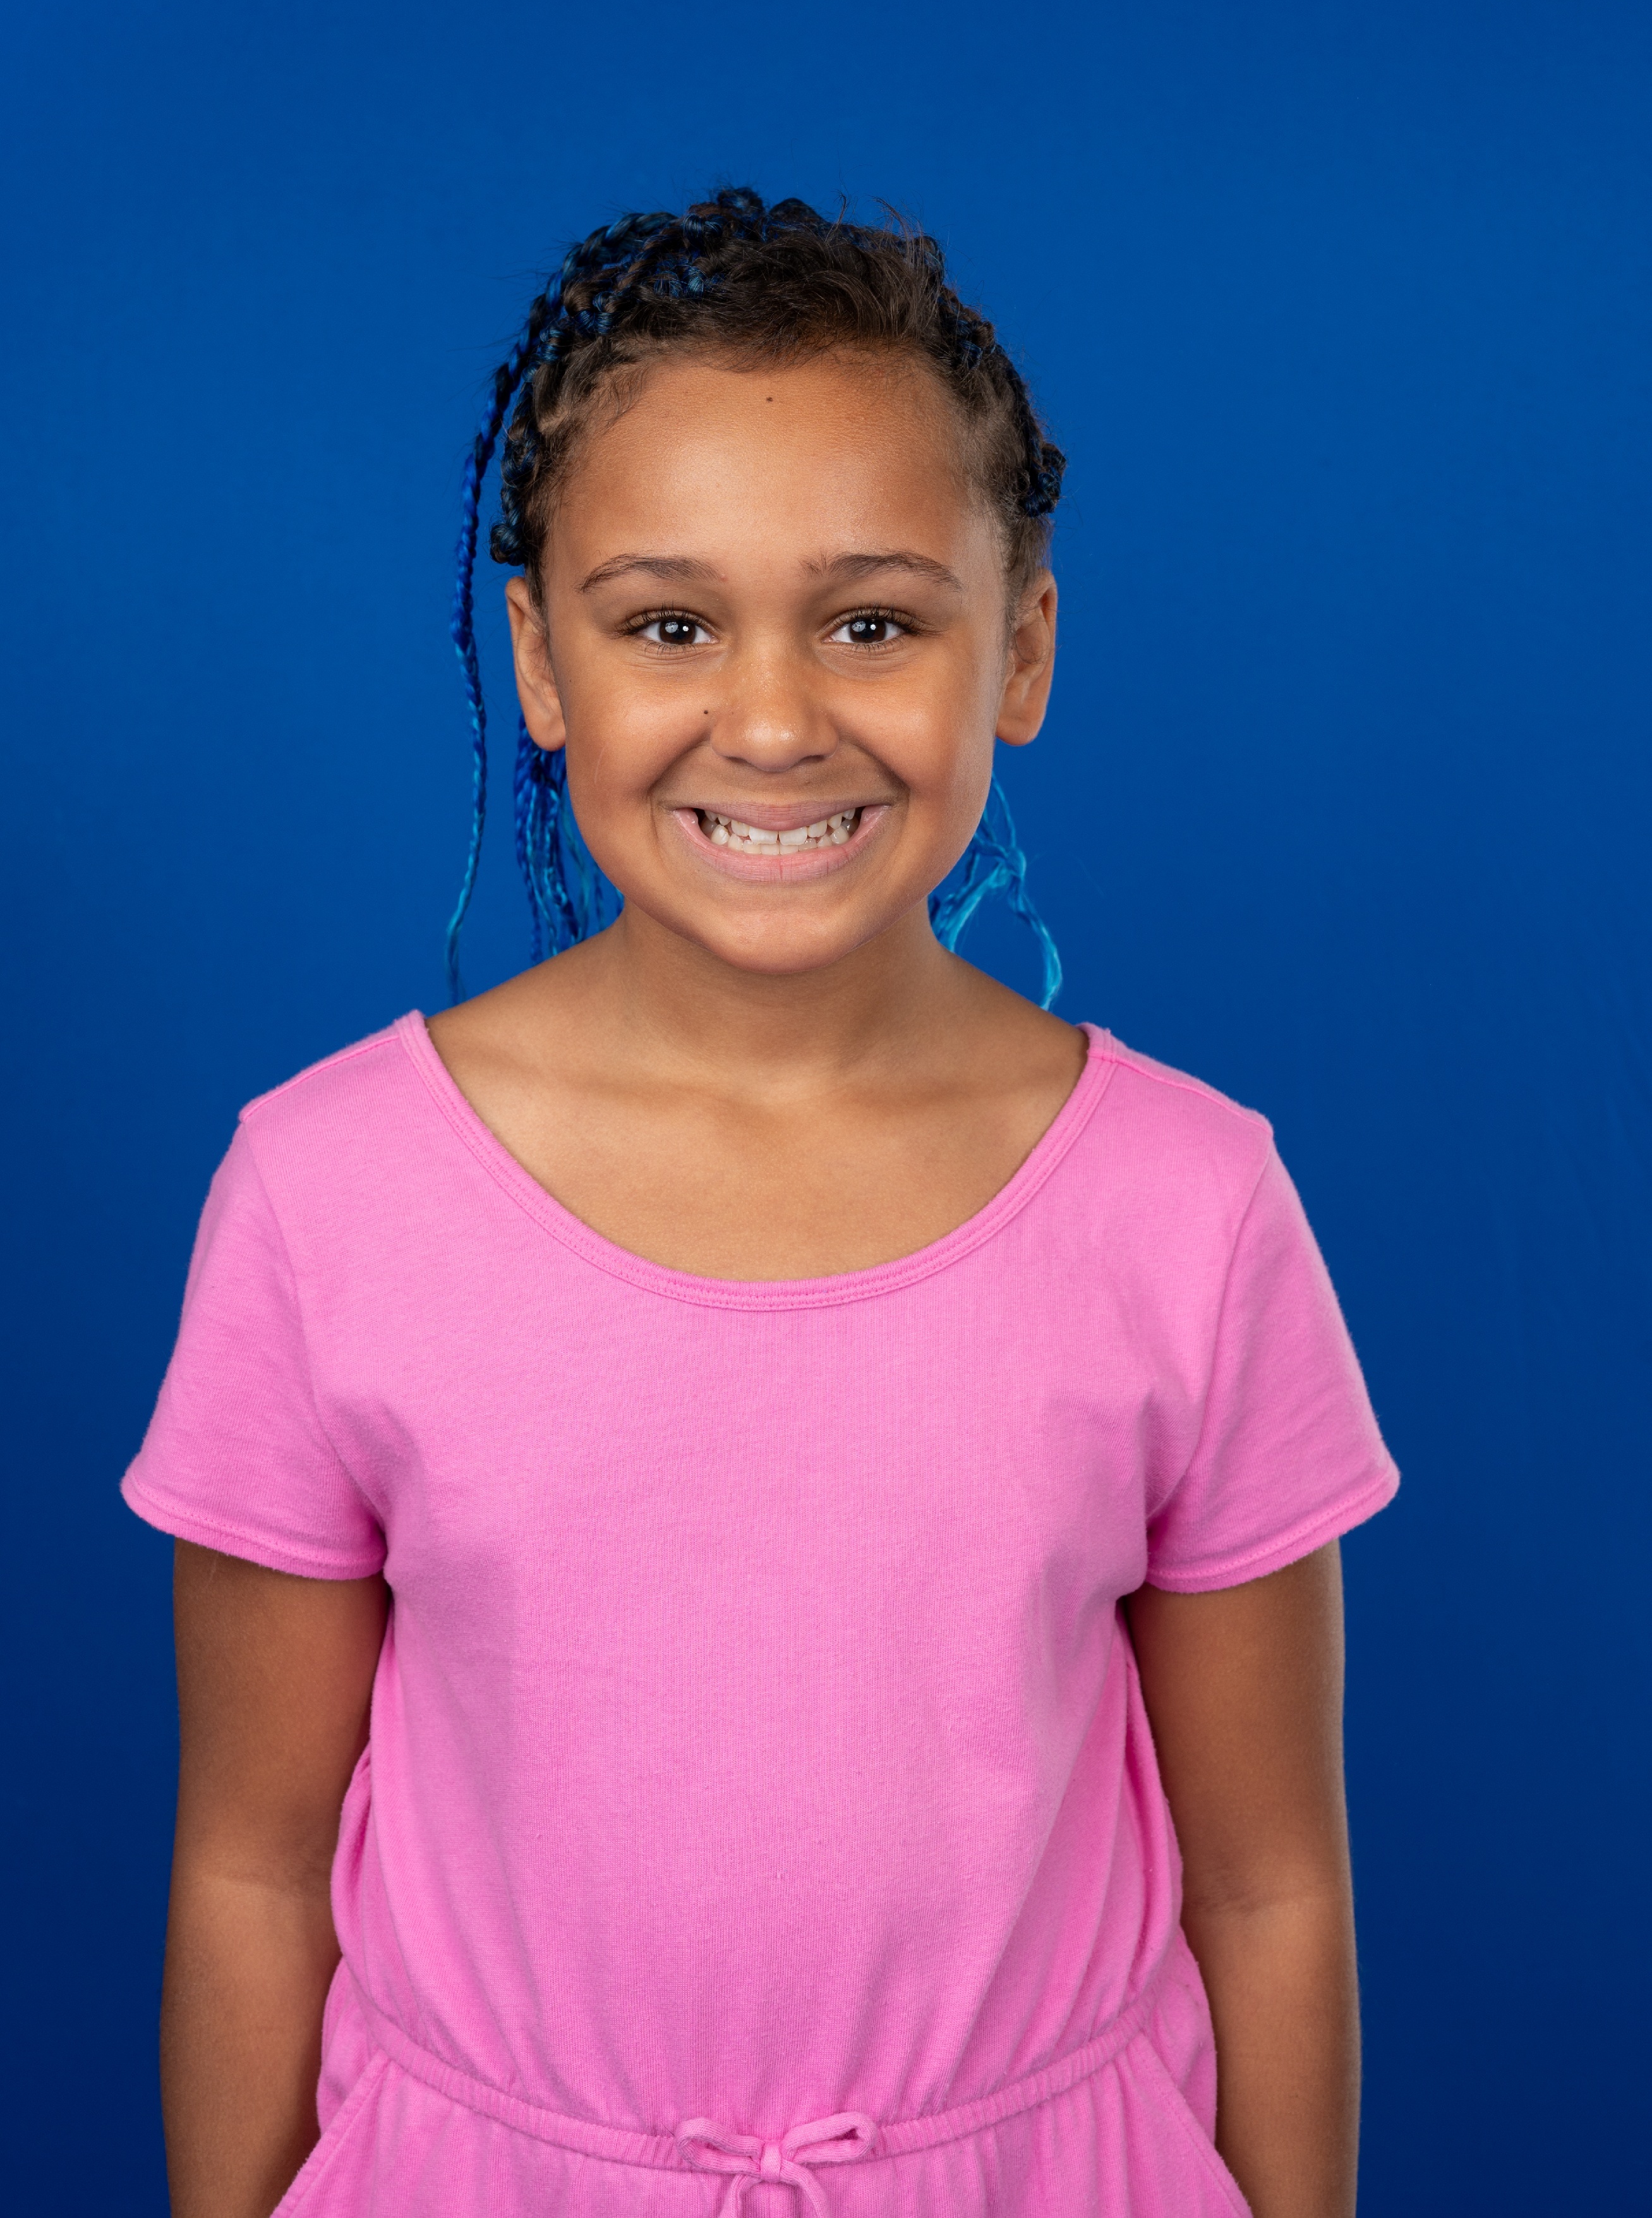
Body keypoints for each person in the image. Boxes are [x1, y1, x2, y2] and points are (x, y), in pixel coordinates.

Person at [123, 188, 1398, 2218]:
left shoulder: (1194, 1208)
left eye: (873, 620)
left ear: (1024, 644)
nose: (779, 718)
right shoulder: (326, 1192)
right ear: (542, 659)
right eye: (669, 623)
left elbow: (1268, 1882)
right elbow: (254, 1864)